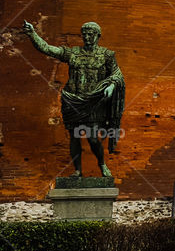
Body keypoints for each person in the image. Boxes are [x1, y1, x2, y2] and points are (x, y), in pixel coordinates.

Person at [22, 20, 125, 177]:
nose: (87, 37)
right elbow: (48, 49)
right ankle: (77, 170)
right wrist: (32, 34)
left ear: (98, 36)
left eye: (90, 34)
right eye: (84, 34)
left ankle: (102, 164)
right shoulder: (73, 53)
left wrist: (111, 86)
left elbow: (117, 75)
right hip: (72, 99)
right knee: (74, 136)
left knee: (92, 138)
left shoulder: (107, 55)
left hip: (94, 102)